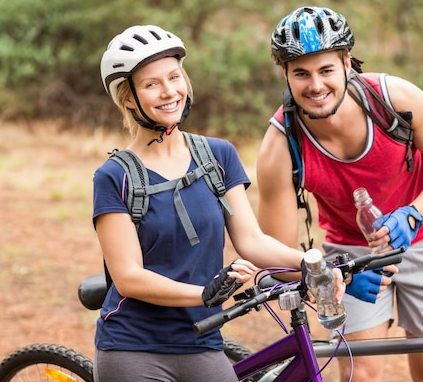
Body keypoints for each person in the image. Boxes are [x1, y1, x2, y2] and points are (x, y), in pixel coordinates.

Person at [93, 24, 343, 382]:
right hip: (133, 349)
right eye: (152, 84)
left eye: (174, 77)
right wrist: (205, 293)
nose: (169, 92)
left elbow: (251, 241)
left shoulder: (218, 155)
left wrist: (312, 263)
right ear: (129, 98)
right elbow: (129, 278)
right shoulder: (114, 177)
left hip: (202, 342)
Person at [256, 6, 423, 382]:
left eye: (326, 70)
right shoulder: (280, 145)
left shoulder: (394, 98)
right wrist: (335, 275)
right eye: (301, 73)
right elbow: (275, 252)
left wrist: (413, 214)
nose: (315, 85)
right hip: (350, 254)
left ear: (346, 62)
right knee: (361, 372)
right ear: (285, 75)